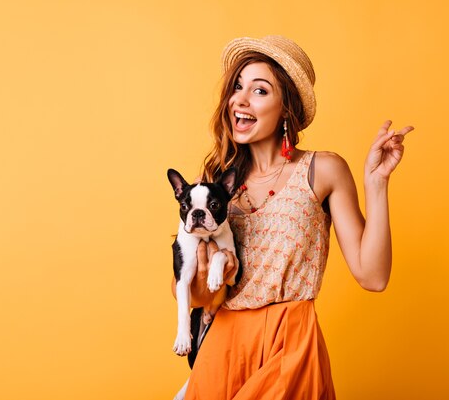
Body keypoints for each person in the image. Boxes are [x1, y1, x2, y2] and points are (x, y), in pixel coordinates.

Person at [176, 35, 414, 399]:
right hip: (222, 345)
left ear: (286, 107)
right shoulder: (214, 191)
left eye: (259, 90)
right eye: (237, 88)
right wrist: (206, 273)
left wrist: (376, 183)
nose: (240, 99)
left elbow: (373, 276)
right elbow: (194, 294)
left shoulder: (323, 170)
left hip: (291, 340)